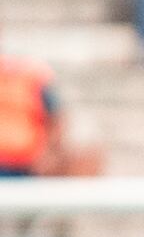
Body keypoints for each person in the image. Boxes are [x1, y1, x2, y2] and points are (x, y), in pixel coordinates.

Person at [0, 43, 100, 177]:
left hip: (27, 164)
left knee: (88, 155)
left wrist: (49, 153)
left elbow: (57, 117)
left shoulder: (29, 74)